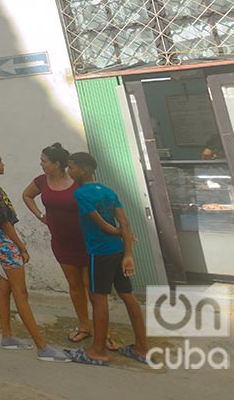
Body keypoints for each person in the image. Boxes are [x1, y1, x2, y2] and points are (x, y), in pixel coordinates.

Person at [0, 142, 70, 362]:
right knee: (21, 293)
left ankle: (7, 336)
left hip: (1, 238)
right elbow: (4, 221)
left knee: (5, 289)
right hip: (5, 239)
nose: (2, 164)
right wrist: (21, 246)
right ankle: (42, 347)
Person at [67, 151, 149, 366]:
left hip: (99, 253)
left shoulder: (81, 194)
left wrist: (122, 234)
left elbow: (102, 225)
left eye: (71, 167)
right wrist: (128, 250)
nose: (69, 171)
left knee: (98, 298)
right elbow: (125, 223)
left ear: (83, 170)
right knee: (128, 296)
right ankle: (141, 348)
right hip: (119, 251)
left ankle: (97, 350)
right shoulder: (108, 191)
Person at [22, 143, 93, 344]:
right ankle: (84, 326)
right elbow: (27, 195)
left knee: (91, 286)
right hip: (61, 242)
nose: (41, 164)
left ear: (56, 163)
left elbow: (97, 199)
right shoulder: (42, 181)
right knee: (74, 285)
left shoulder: (77, 180)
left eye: (44, 161)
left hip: (86, 240)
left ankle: (103, 331)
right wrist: (40, 216)